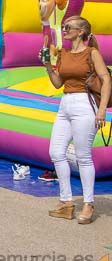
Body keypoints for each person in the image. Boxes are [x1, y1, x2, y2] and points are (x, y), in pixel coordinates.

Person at [44, 16, 110, 224]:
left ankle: (89, 204)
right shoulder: (63, 53)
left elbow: (106, 80)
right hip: (65, 103)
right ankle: (66, 202)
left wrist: (101, 112)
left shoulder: (92, 53)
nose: (64, 30)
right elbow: (57, 83)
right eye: (64, 27)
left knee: (83, 156)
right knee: (56, 152)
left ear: (81, 32)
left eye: (68, 27)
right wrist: (47, 64)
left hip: (85, 104)